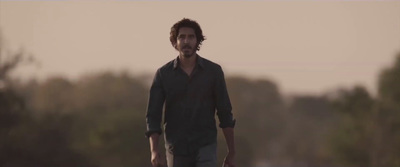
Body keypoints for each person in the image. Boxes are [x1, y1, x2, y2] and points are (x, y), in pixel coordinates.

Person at [145, 18, 236, 167]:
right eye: (182, 37)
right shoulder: (163, 74)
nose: (186, 41)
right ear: (175, 42)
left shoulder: (213, 72)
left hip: (205, 145)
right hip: (176, 147)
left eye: (191, 37)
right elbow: (153, 115)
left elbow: (225, 112)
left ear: (198, 41)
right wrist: (154, 150)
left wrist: (231, 152)